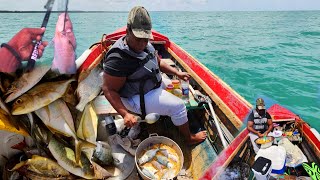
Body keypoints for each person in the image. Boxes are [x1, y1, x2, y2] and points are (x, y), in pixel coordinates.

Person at [102, 6, 206, 145]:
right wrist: (125, 114)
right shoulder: (118, 58)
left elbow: (158, 62)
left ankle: (171, 114)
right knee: (179, 106)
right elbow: (109, 89)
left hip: (151, 84)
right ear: (128, 31)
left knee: (182, 90)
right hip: (137, 97)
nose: (143, 43)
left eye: (146, 38)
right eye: (139, 39)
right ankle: (189, 138)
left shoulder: (146, 45)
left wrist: (177, 73)